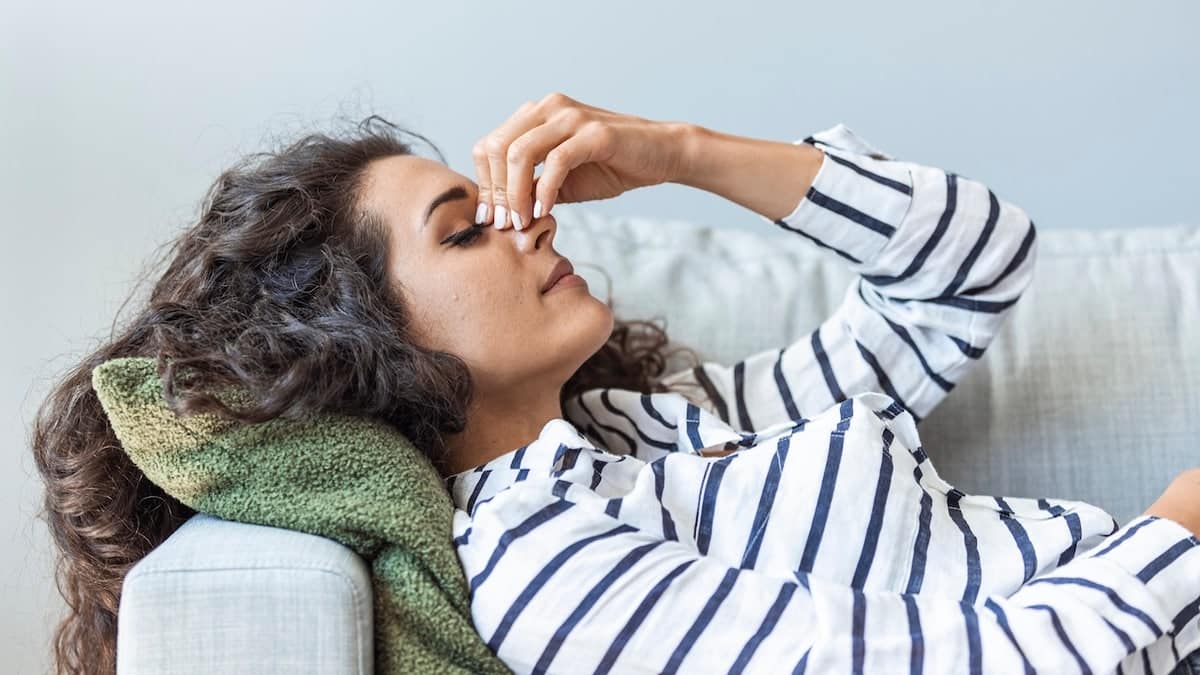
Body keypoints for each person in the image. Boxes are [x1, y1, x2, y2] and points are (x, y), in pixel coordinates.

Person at [30, 92, 1198, 675]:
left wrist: (681, 153)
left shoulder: (651, 428)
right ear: (367, 341)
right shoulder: (546, 568)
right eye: (464, 231)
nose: (529, 221)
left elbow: (971, 272)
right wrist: (1181, 527)